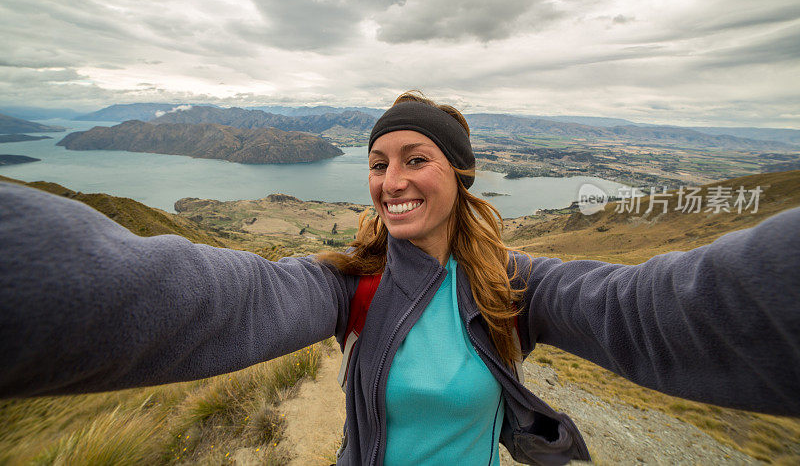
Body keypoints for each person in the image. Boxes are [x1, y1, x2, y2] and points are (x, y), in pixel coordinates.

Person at [1, 91, 799, 466]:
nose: (392, 181)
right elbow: (218, 299)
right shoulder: (349, 284)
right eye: (379, 163)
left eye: (415, 159)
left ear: (460, 173)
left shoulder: (512, 286)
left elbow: (660, 310)